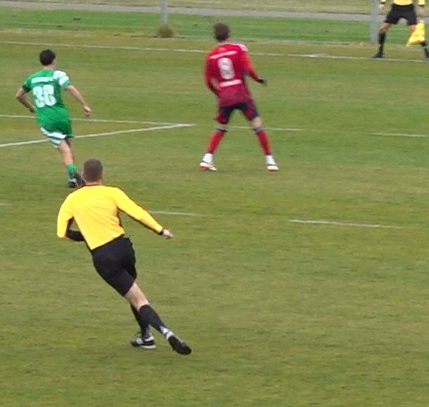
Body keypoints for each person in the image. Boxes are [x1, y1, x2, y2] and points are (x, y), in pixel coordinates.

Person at [57, 158, 189, 354]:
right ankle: (146, 337)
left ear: (83, 176)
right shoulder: (113, 192)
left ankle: (165, 331)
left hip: (104, 257)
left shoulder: (72, 199)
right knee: (133, 291)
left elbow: (62, 232)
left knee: (139, 300)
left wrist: (87, 235)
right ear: (102, 175)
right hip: (124, 248)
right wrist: (160, 230)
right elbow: (138, 214)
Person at [201, 22, 277, 172]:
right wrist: (258, 79)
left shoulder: (211, 56)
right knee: (257, 126)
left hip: (225, 97)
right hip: (241, 94)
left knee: (220, 128)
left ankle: (206, 159)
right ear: (229, 34)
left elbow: (208, 81)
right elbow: (248, 69)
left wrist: (219, 93)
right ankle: (270, 161)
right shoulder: (238, 49)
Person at [18, 49, 93, 188]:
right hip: (62, 116)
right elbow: (70, 88)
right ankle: (72, 178)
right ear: (54, 61)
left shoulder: (32, 78)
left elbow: (19, 95)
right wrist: (84, 105)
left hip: (46, 120)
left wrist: (31, 107)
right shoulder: (58, 74)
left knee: (64, 151)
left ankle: (73, 173)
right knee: (69, 147)